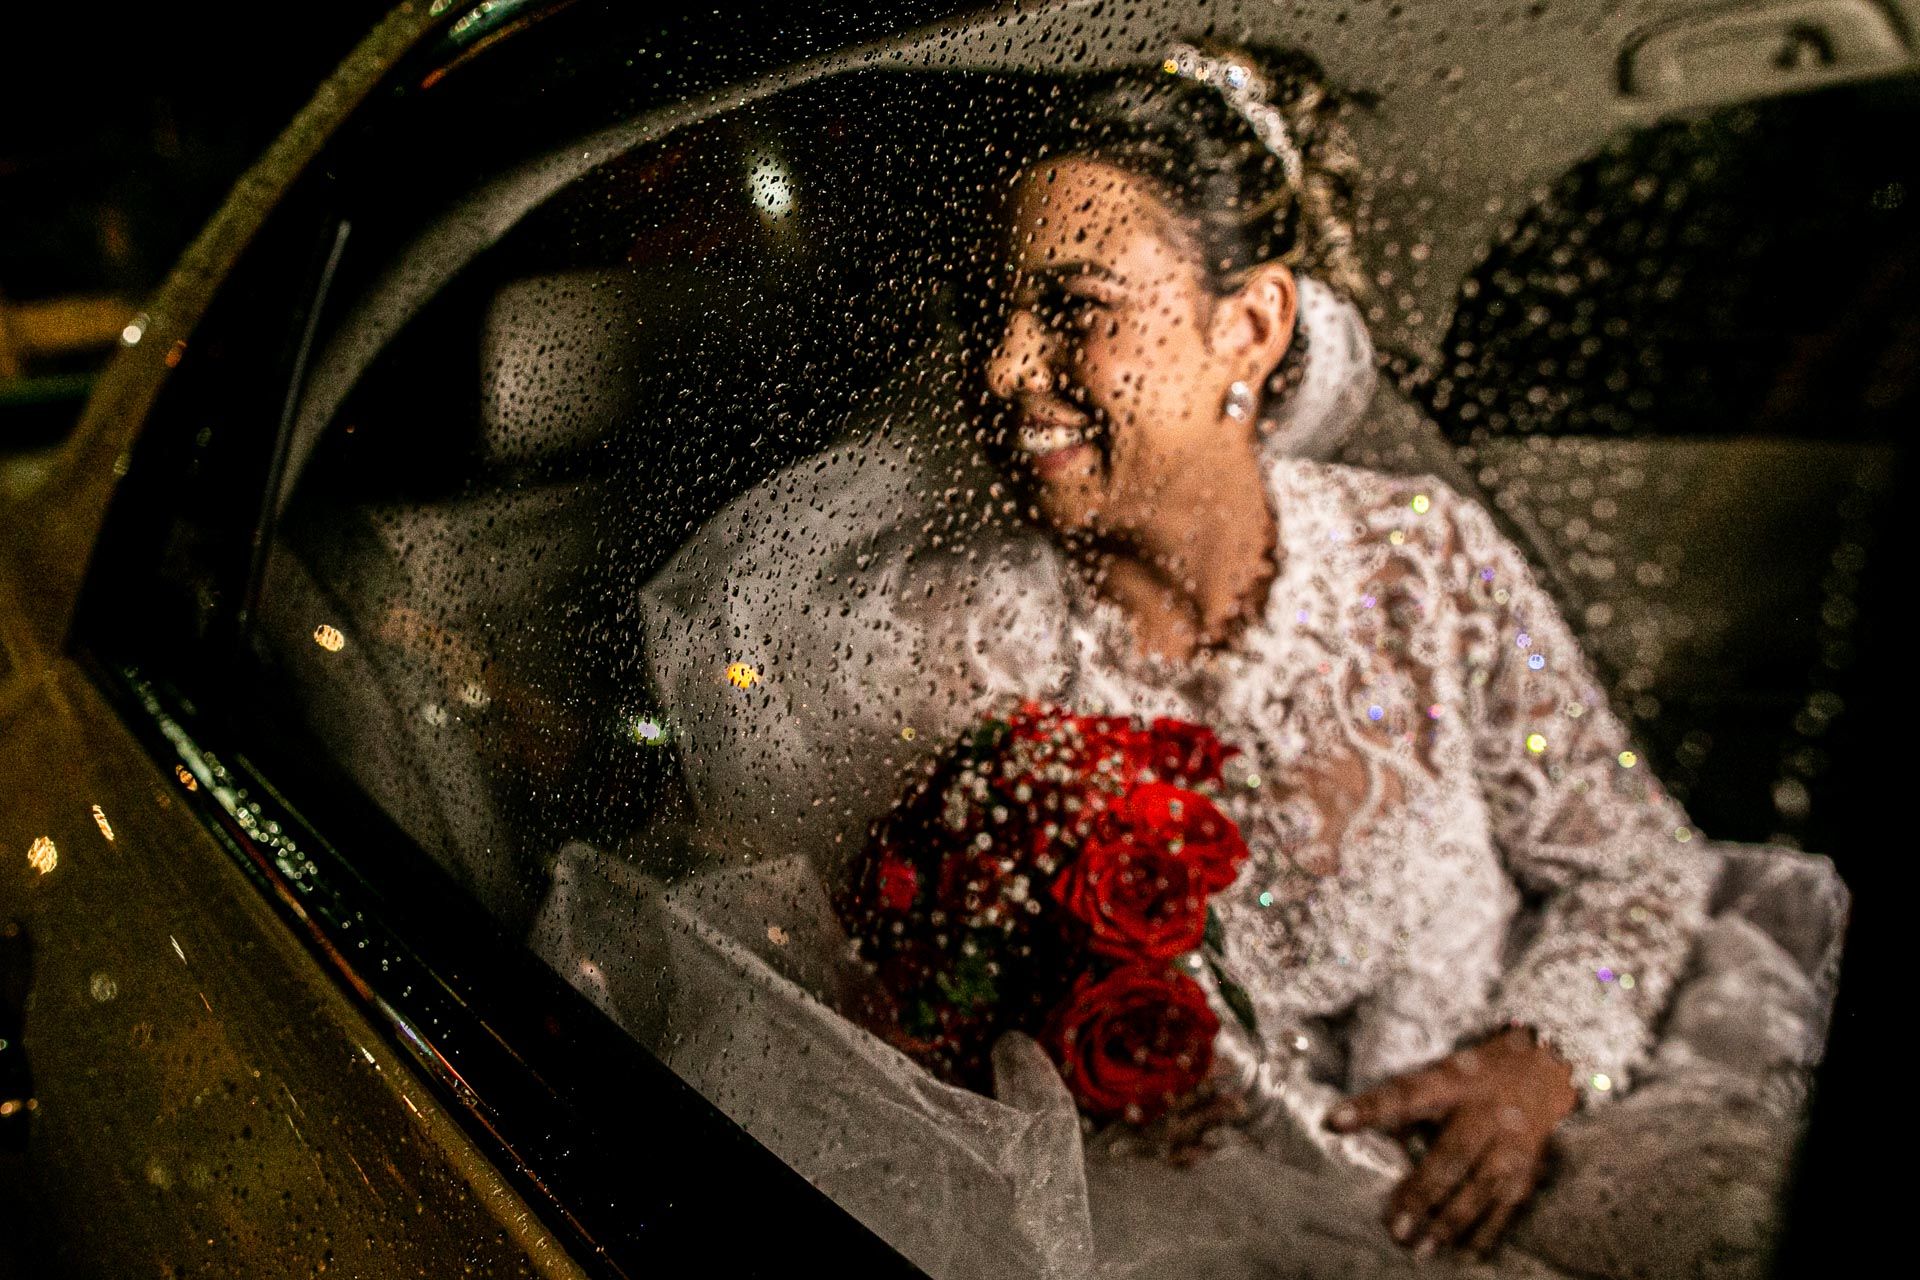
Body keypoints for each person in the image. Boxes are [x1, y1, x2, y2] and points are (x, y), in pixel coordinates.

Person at [538, 41, 1843, 1280]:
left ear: (1252, 325)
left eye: (1074, 309)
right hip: (1214, 1223)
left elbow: (1638, 866)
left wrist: (1539, 1064)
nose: (1004, 367)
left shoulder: (1419, 557)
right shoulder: (948, 658)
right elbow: (881, 1024)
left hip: (1570, 1127)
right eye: (990, 313)